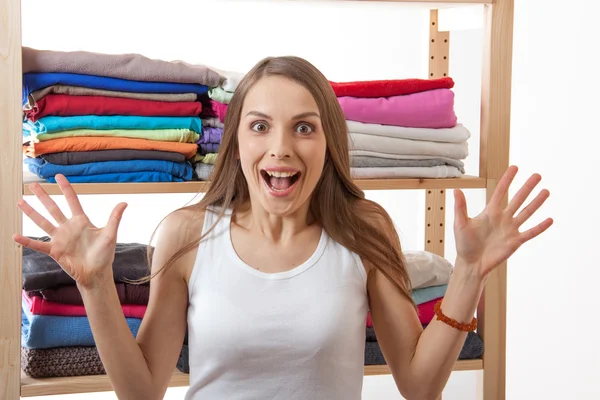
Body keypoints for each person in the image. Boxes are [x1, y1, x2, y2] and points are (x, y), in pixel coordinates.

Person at [13, 56, 553, 400]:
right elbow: (143, 390)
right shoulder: (186, 234)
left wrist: (469, 274)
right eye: (259, 126)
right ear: (238, 143)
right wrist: (93, 287)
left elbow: (418, 385)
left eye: (304, 127)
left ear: (328, 141)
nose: (281, 148)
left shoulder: (365, 230)